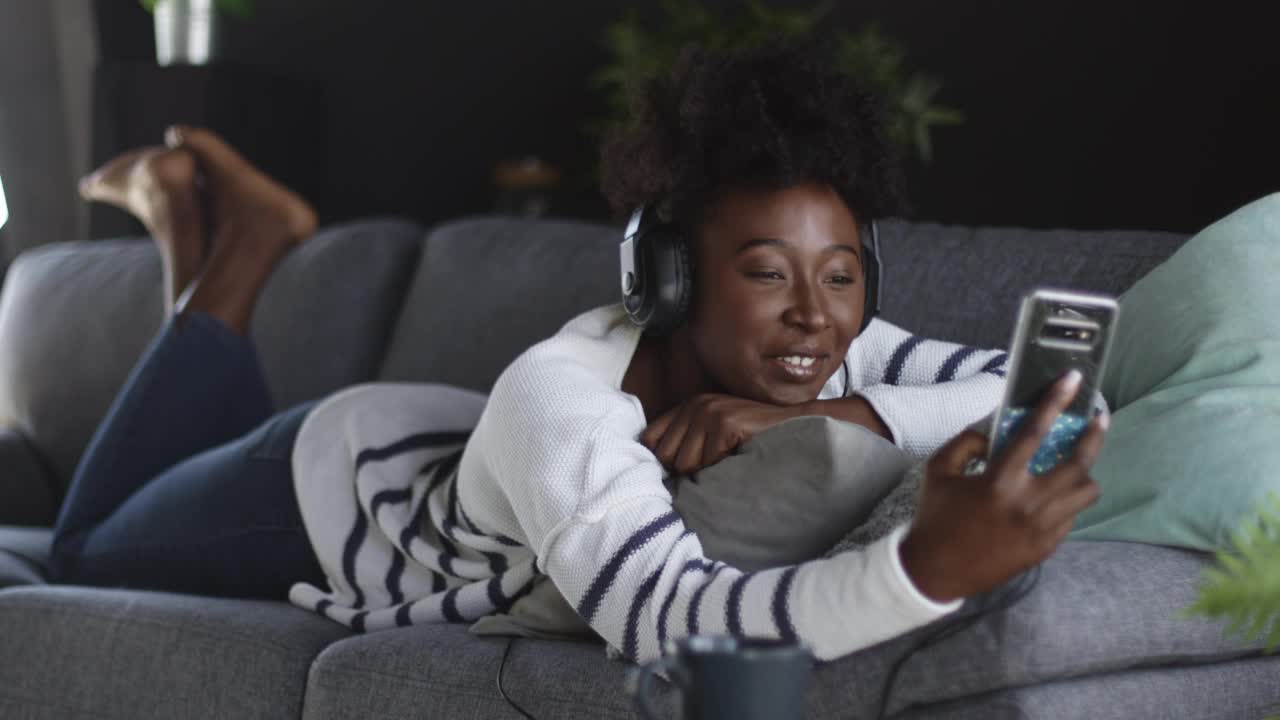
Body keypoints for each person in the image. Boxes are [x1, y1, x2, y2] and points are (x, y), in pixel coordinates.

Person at [50, 43, 1107, 664]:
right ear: (671, 279)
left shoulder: (823, 357)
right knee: (78, 551)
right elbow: (668, 617)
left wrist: (840, 416)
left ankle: (192, 240)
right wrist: (921, 571)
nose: (815, 318)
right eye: (763, 271)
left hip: (440, 444)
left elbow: (1041, 386)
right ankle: (237, 257)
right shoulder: (561, 400)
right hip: (321, 486)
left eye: (839, 274)